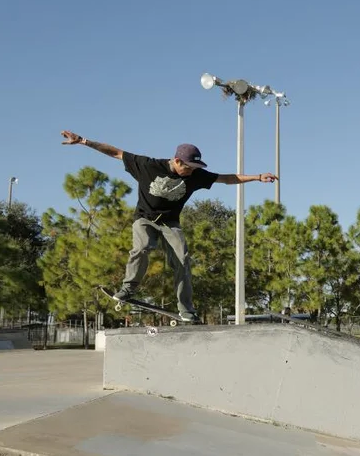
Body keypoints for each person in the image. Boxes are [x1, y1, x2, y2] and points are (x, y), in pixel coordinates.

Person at [60, 130, 278, 322]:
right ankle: (128, 289)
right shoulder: (147, 166)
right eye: (189, 168)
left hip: (170, 223)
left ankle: (186, 309)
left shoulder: (197, 175)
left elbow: (226, 178)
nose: (192, 172)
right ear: (177, 161)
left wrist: (257, 177)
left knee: (183, 260)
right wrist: (83, 141)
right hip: (144, 218)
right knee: (143, 246)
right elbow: (116, 152)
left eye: (195, 168)